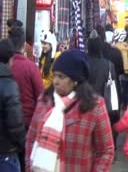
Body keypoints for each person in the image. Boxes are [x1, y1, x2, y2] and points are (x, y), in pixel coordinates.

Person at [26, 50, 115, 172]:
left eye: (61, 77)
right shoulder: (44, 101)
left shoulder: (94, 106)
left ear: (75, 80)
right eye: (55, 75)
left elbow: (106, 151)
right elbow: (31, 140)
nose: (55, 81)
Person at [8, 25, 44, 172]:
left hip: (6, 124)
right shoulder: (31, 67)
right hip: (27, 124)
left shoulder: (5, 66)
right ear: (24, 45)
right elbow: (40, 96)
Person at [0, 39, 26, 172]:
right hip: (6, 152)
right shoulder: (9, 84)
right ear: (10, 59)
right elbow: (15, 124)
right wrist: (23, 144)